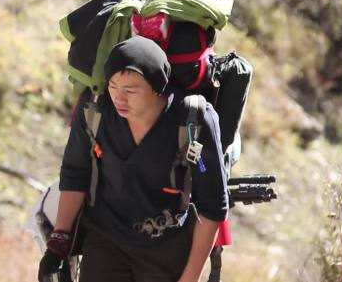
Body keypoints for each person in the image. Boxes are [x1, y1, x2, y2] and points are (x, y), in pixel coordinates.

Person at [38, 36, 229, 282]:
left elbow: (211, 207)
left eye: (130, 90)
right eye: (113, 86)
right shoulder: (94, 110)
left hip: (166, 251)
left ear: (157, 86)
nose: (119, 98)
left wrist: (190, 278)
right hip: (105, 244)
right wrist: (59, 239)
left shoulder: (193, 120)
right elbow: (76, 175)